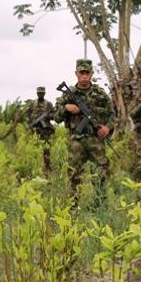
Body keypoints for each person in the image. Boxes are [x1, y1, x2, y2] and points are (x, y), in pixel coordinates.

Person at [57, 59, 114, 193]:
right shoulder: (68, 94)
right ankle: (73, 209)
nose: (84, 76)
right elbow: (56, 117)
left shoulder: (100, 93)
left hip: (96, 140)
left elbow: (112, 114)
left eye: (87, 73)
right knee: (74, 175)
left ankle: (99, 207)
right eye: (81, 73)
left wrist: (107, 128)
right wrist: (66, 107)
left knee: (101, 173)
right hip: (76, 141)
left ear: (91, 74)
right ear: (76, 73)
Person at [25, 85, 56, 172]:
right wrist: (30, 122)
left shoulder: (49, 104)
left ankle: (47, 167)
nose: (40, 95)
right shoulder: (32, 104)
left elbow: (54, 115)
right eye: (39, 93)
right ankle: (34, 166)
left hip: (45, 130)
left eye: (42, 93)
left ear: (45, 94)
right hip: (35, 129)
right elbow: (27, 114)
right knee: (33, 148)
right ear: (37, 94)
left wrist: (47, 117)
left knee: (46, 149)